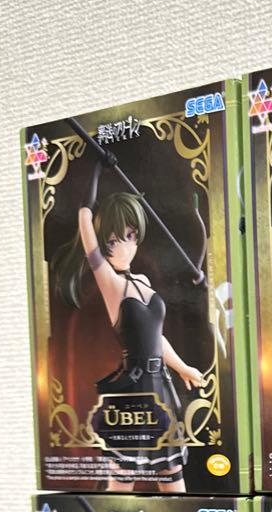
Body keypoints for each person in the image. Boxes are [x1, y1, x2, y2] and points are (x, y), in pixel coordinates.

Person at [50, 152, 203, 492]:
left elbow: (156, 338)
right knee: (122, 480)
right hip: (132, 391)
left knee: (172, 477)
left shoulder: (143, 282)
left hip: (159, 386)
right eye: (114, 240)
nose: (124, 246)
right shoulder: (110, 282)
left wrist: (182, 367)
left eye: (131, 236)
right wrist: (97, 165)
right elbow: (84, 217)